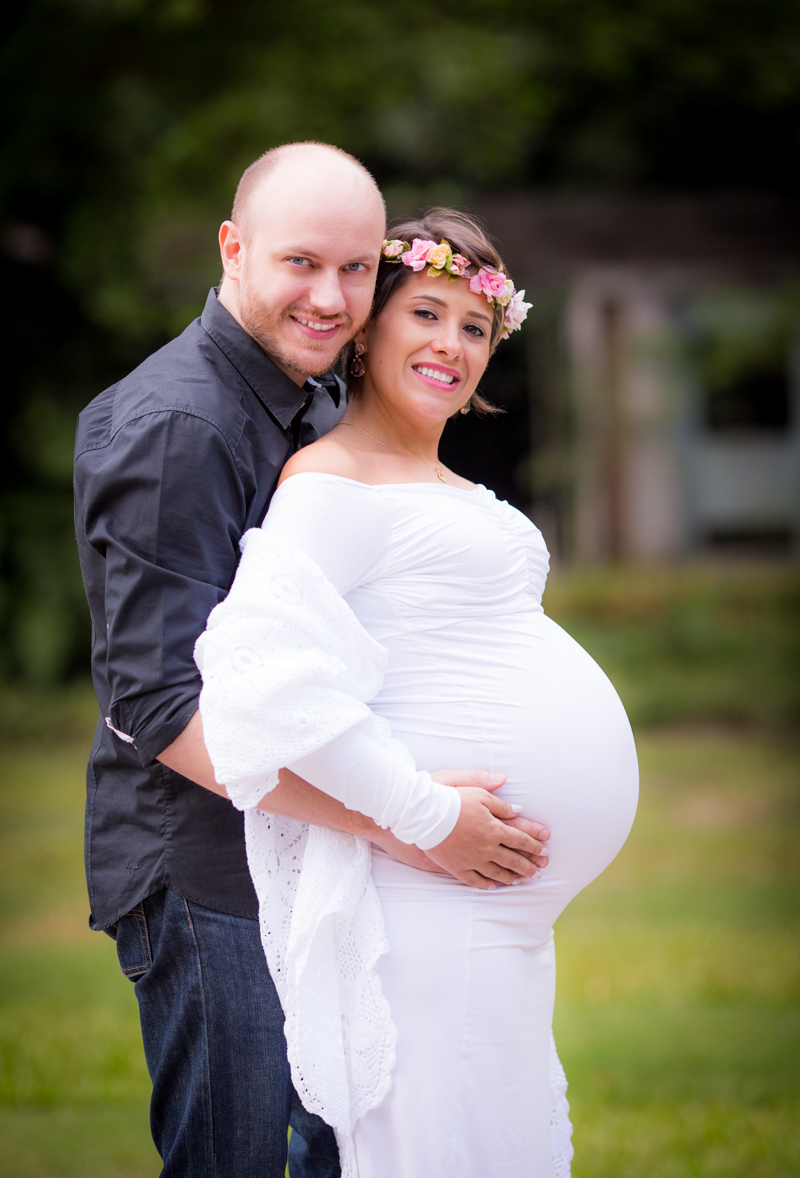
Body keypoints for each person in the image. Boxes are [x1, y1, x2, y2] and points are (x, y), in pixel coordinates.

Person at [73, 145, 549, 1178]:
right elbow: (158, 707)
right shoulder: (174, 426)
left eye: (353, 272)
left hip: (308, 860)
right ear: (232, 250)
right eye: (299, 264)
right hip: (204, 874)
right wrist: (410, 821)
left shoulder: (316, 405)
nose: (330, 299)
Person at [196, 209, 640, 1178]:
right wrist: (427, 814)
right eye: (425, 315)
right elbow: (259, 693)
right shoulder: (329, 483)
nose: (451, 344)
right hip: (431, 893)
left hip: (493, 911)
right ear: (364, 330)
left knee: (502, 1137)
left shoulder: (437, 482)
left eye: (474, 327)